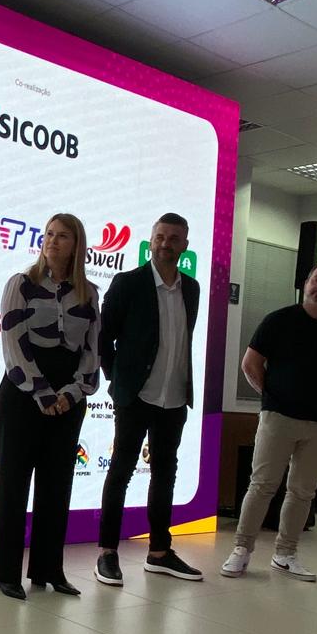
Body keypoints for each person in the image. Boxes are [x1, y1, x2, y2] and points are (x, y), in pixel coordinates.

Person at [222, 262, 317, 582]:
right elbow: (250, 364)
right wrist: (273, 396)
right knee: (262, 485)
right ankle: (241, 550)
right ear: (306, 283)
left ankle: (285, 554)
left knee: (302, 491)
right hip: (278, 417)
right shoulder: (279, 320)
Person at [0, 214, 101, 600]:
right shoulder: (21, 284)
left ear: (76, 245)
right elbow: (13, 343)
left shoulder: (89, 293)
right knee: (12, 484)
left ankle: (49, 569)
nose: (53, 241)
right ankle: (5, 573)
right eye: (49, 234)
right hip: (23, 394)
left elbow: (92, 351)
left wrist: (73, 392)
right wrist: (42, 392)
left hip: (68, 398)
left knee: (57, 486)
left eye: (62, 236)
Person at [95, 213, 201, 587]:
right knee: (121, 472)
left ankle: (159, 552)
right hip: (135, 396)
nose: (166, 244)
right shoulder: (128, 283)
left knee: (165, 474)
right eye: (160, 237)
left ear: (184, 245)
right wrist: (117, 378)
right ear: (151, 241)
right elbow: (102, 337)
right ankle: (107, 552)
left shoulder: (192, 288)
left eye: (174, 238)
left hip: (174, 398)